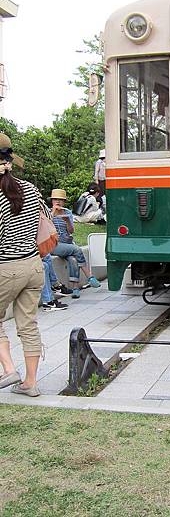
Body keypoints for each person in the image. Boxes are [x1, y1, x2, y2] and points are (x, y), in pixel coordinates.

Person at [0, 134, 47, 397]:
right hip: (33, 266)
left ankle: (8, 369)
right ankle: (30, 383)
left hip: (6, 267)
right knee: (28, 325)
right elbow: (46, 219)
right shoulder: (30, 188)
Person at [50, 188, 101, 299]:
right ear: (52, 201)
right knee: (77, 249)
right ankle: (89, 276)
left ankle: (75, 288)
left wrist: (67, 221)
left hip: (67, 244)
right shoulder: (48, 213)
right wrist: (53, 213)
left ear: (64, 202)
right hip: (54, 245)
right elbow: (46, 228)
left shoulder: (67, 212)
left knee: (73, 260)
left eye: (61, 200)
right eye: (55, 199)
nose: (58, 202)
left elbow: (71, 231)